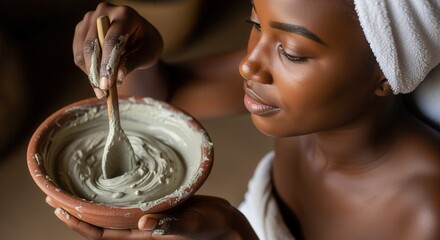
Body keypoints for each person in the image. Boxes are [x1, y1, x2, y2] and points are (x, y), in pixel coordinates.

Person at [46, 0, 440, 239]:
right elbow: (159, 98)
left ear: (386, 75)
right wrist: (138, 56)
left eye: (292, 51)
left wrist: (233, 232)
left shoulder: (424, 213)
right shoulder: (294, 107)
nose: (250, 63)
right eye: (255, 24)